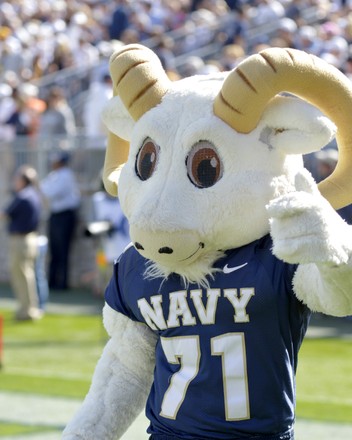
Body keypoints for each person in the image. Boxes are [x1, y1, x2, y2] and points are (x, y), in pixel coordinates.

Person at [0, 165, 43, 320]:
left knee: (22, 276)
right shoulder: (34, 195)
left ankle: (27, 310)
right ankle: (29, 308)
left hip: (21, 241)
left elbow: (5, 214)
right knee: (27, 275)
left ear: (23, 180)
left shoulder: (23, 196)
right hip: (30, 239)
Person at [40, 151, 81, 290]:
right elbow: (43, 189)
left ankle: (62, 283)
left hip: (65, 216)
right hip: (55, 215)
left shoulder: (66, 175)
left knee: (63, 250)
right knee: (54, 250)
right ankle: (52, 282)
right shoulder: (54, 175)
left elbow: (50, 192)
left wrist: (45, 190)